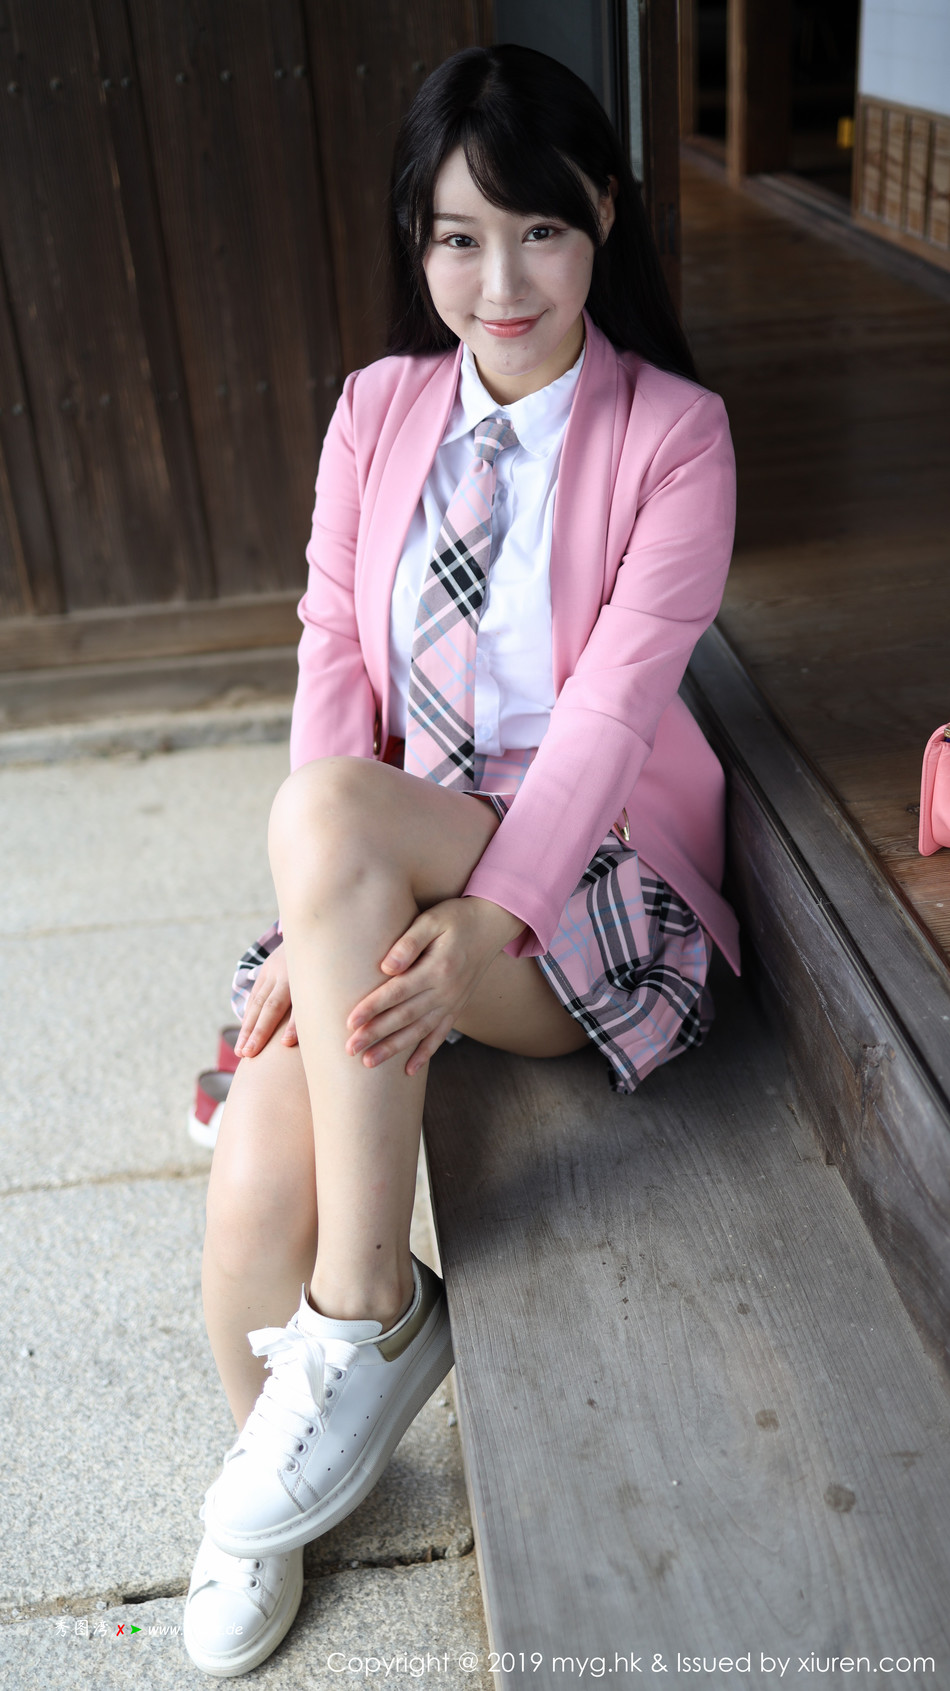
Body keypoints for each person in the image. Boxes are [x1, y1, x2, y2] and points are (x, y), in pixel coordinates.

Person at [182, 42, 738, 1677]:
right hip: (386, 857)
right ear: (414, 245)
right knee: (253, 1168)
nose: (500, 285)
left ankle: (365, 1312)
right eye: (456, 239)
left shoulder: (675, 435)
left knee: (336, 825)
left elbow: (612, 718)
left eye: (539, 231)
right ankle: (270, 1495)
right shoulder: (377, 410)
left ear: (602, 217)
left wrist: (492, 911)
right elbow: (330, 662)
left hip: (584, 886)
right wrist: (315, 915)